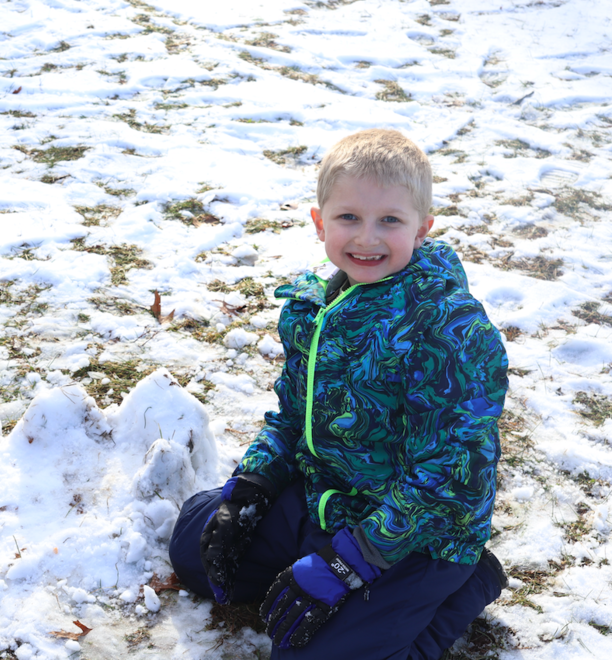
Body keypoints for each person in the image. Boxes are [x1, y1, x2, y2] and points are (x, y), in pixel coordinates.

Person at [168, 129, 509, 659]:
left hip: (417, 535)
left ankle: (461, 589)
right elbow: (291, 415)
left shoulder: (448, 331)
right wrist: (252, 487)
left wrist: (354, 559)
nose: (367, 238)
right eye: (349, 217)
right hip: (326, 501)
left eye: (390, 220)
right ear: (320, 222)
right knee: (197, 550)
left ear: (423, 229)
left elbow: (451, 475)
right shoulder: (313, 309)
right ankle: (341, 583)